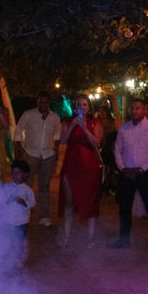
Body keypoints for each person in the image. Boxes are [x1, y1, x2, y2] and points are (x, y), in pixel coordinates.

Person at [112, 98, 148, 254]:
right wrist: (122, 168)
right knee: (125, 207)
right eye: (132, 108)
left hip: (145, 173)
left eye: (138, 108)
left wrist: (144, 168)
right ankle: (124, 239)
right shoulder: (124, 128)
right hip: (127, 174)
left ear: (144, 110)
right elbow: (117, 150)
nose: (134, 111)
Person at [58, 94, 103, 247]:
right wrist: (72, 126)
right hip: (71, 164)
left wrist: (84, 127)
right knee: (69, 201)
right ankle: (66, 236)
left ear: (89, 107)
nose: (81, 107)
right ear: (75, 107)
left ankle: (90, 239)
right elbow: (63, 141)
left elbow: (96, 142)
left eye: (84, 104)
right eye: (79, 104)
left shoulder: (95, 122)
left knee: (90, 201)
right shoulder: (68, 121)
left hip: (89, 165)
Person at [13, 91, 61, 226]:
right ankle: (23, 214)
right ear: (37, 102)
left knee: (44, 187)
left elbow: (57, 134)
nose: (42, 104)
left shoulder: (55, 117)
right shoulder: (28, 114)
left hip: (48, 155)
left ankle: (44, 216)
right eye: (40, 101)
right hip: (30, 154)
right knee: (26, 184)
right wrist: (19, 148)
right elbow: (18, 131)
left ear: (49, 102)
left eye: (45, 101)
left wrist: (55, 149)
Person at [3, 159, 36, 238]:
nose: (14, 175)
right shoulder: (6, 188)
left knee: (20, 241)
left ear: (25, 174)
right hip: (8, 220)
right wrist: (7, 200)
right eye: (13, 173)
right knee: (7, 240)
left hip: (22, 221)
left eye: (18, 173)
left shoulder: (27, 190)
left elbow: (33, 203)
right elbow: (0, 200)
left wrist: (24, 202)